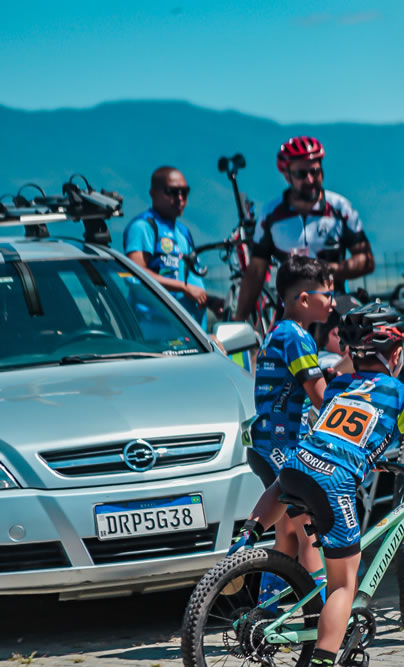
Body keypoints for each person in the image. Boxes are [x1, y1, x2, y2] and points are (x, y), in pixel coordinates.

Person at [228, 302, 404, 667]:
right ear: (394, 354)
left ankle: (244, 541)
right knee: (344, 584)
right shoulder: (401, 393)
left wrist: (370, 456)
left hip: (299, 463)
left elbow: (345, 430)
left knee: (281, 483)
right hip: (334, 482)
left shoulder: (340, 384)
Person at [247, 254, 333, 578]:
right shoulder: (297, 337)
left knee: (285, 535)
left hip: (266, 443)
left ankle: (265, 605)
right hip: (280, 446)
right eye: (327, 294)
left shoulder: (279, 331)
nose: (332, 302)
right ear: (305, 299)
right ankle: (322, 604)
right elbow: (321, 397)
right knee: (308, 529)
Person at [235, 136, 374, 322]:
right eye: (301, 174)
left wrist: (330, 270)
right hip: (290, 314)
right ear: (287, 175)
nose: (310, 179)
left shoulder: (341, 208)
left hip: (333, 310)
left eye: (315, 171)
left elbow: (366, 260)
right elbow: (256, 272)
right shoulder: (270, 215)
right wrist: (239, 319)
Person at [124, 166, 223, 330]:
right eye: (172, 192)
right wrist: (184, 288)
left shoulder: (183, 232)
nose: (180, 198)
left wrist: (210, 301)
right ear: (153, 193)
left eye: (185, 192)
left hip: (191, 332)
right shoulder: (143, 227)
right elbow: (136, 274)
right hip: (155, 330)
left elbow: (186, 280)